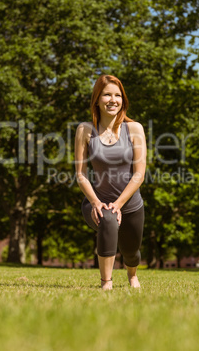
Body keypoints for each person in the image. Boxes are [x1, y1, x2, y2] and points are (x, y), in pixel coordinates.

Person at [75, 74, 146, 290]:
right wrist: (97, 203)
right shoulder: (85, 130)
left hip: (131, 204)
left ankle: (132, 275)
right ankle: (106, 283)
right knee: (107, 219)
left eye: (117, 95)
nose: (112, 100)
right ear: (97, 99)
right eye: (107, 95)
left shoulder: (134, 129)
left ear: (123, 100)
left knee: (131, 252)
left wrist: (119, 204)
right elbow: (81, 174)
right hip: (98, 201)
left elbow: (139, 174)